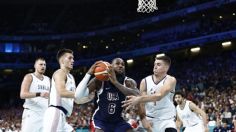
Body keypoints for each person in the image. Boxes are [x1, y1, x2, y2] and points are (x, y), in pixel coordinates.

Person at [75, 58, 140, 132]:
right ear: (110, 66)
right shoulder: (99, 81)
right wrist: (88, 73)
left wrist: (116, 83)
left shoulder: (129, 82)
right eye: (117, 64)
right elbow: (79, 95)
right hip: (101, 121)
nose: (121, 66)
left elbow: (138, 95)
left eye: (123, 64)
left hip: (119, 121)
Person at [43, 49, 99, 132]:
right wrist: (82, 93)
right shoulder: (60, 73)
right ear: (62, 60)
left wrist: (88, 97)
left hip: (63, 116)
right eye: (69, 58)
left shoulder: (71, 78)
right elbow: (62, 92)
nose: (73, 60)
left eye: (73, 58)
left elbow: (77, 99)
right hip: (55, 112)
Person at [122, 55, 177, 132]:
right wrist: (143, 119)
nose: (155, 66)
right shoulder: (145, 81)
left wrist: (138, 99)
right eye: (154, 64)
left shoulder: (170, 80)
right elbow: (142, 104)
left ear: (166, 68)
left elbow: (159, 96)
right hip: (150, 118)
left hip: (167, 119)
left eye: (158, 64)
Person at [20, 57, 50, 132]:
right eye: (40, 64)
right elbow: (22, 94)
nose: (43, 66)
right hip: (32, 113)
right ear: (35, 66)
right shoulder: (29, 77)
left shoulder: (48, 79)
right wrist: (39, 94)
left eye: (44, 64)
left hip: (45, 115)